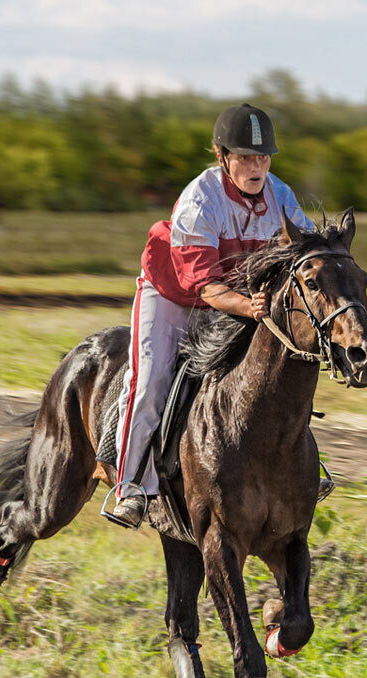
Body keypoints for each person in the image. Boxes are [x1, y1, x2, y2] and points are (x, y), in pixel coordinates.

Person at [109, 103, 316, 528]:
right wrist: (250, 307)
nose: (256, 166)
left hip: (236, 297)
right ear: (223, 157)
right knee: (151, 380)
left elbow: (306, 252)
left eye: (263, 157)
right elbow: (204, 287)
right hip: (174, 294)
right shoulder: (198, 199)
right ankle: (130, 486)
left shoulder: (282, 197)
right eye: (245, 157)